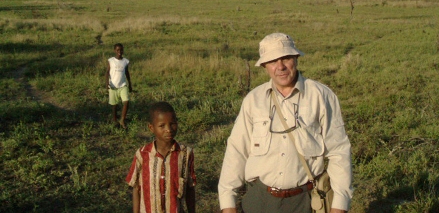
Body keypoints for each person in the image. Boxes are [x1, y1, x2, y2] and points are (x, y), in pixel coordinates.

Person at [218, 33, 353, 213]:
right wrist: (228, 203)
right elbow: (236, 150)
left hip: (305, 200)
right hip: (259, 200)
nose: (280, 67)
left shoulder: (321, 96)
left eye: (286, 58)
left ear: (296, 58)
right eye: (273, 61)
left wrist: (339, 206)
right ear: (265, 65)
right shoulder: (254, 100)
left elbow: (339, 152)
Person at [126, 101, 197, 213]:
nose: (168, 129)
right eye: (162, 126)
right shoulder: (142, 154)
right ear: (151, 127)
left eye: (172, 123)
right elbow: (136, 188)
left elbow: (190, 188)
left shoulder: (185, 154)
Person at [105, 43, 132, 128]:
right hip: (113, 86)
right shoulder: (111, 60)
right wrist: (107, 83)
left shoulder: (125, 61)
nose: (119, 52)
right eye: (118, 50)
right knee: (114, 105)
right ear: (114, 51)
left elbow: (127, 73)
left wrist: (130, 84)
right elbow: (107, 72)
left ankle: (122, 120)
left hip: (123, 85)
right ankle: (114, 119)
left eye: (121, 50)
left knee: (126, 101)